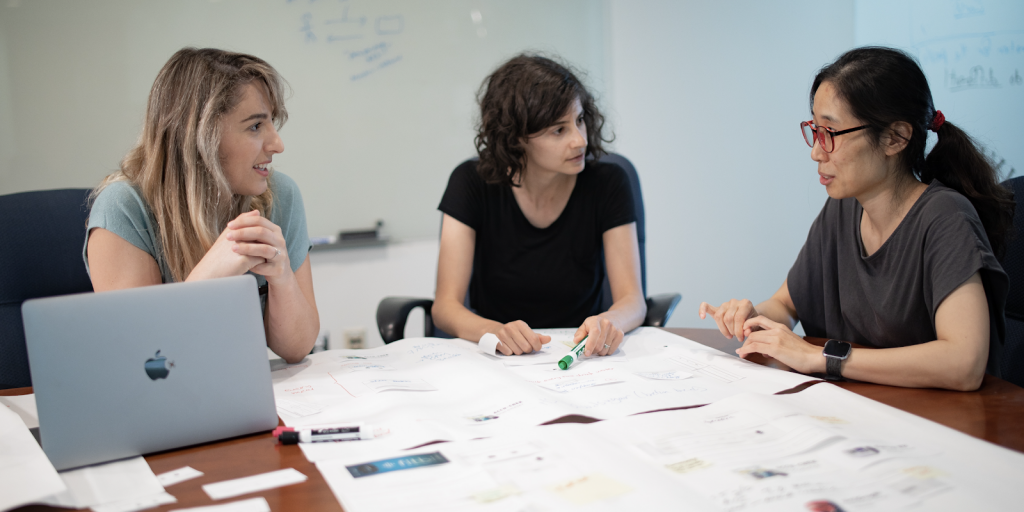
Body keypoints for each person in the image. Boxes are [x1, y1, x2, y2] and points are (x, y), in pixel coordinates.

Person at [699, 47, 1012, 391]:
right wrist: (753, 319)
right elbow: (785, 304)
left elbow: (963, 363)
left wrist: (823, 358)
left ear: (896, 137)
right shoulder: (843, 208)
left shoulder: (945, 217)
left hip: (939, 425)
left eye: (830, 134)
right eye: (814, 130)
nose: (816, 151)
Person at [84, 48, 319, 363]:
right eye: (255, 127)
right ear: (201, 136)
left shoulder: (280, 194)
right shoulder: (123, 207)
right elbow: (141, 360)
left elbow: (297, 348)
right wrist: (212, 274)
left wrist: (282, 277)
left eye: (272, 123)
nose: (277, 144)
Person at [433, 54, 647, 357]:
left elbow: (632, 300)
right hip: (499, 356)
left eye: (580, 120)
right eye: (559, 130)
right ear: (517, 139)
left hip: (579, 353)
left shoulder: (608, 181)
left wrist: (608, 322)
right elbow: (445, 307)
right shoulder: (470, 182)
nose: (580, 141)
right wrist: (492, 330)